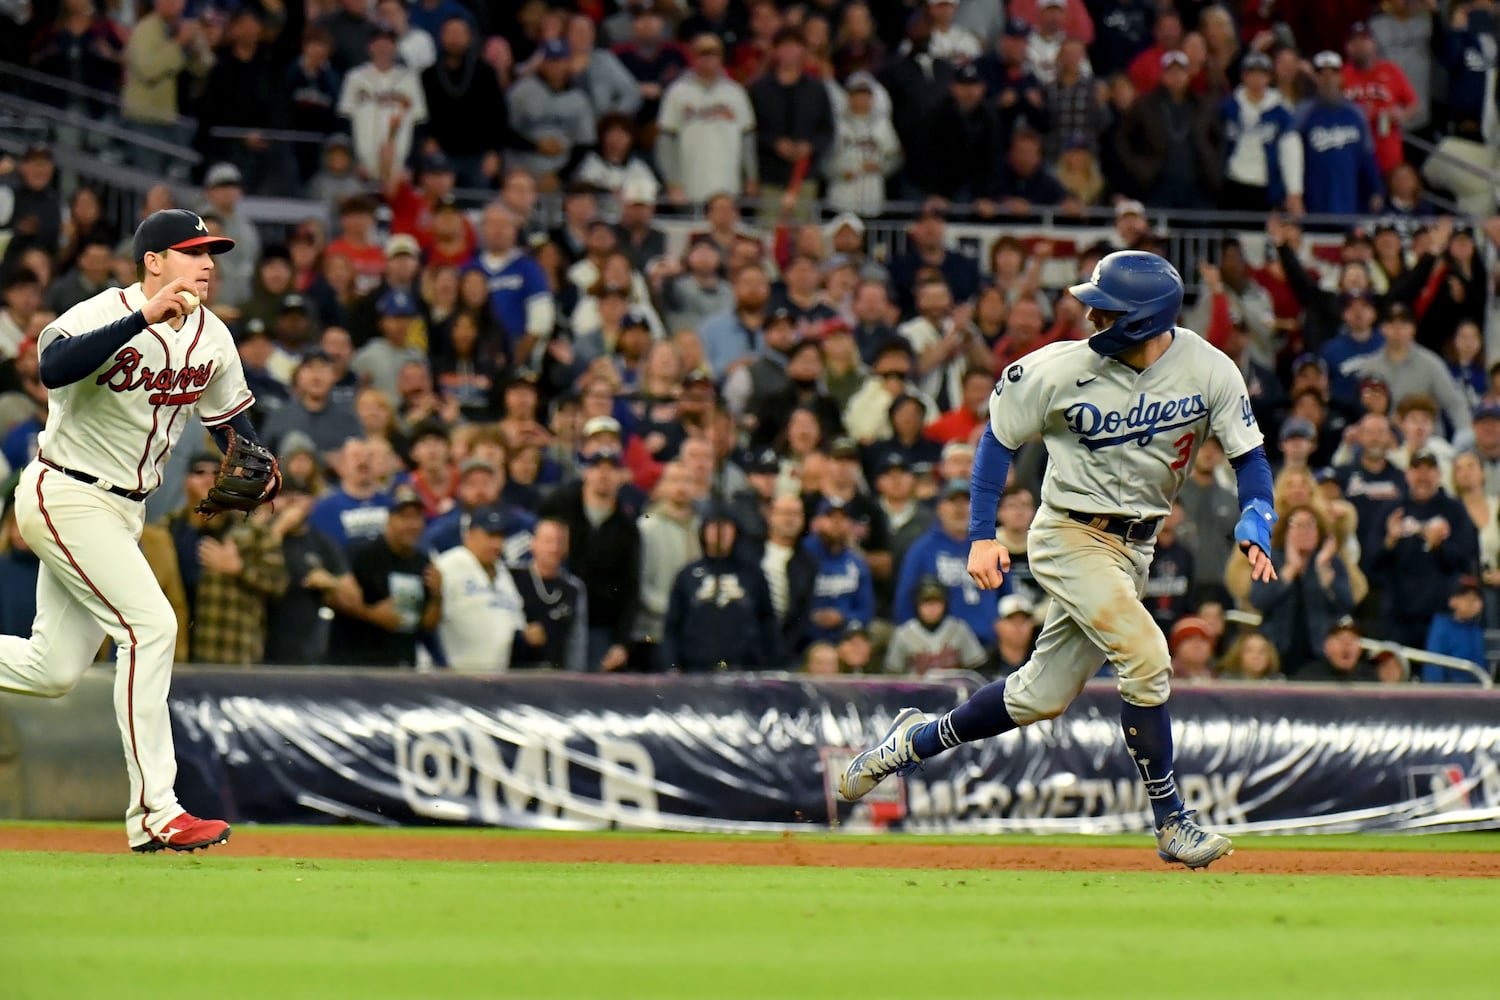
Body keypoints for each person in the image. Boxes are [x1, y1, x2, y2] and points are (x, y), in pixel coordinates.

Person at [838, 251, 1277, 869]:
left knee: (1036, 698)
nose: (1091, 314)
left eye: (1107, 308)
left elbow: (1250, 457)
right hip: (1069, 534)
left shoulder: (1209, 369)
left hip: (1137, 546)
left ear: (1145, 320)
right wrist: (982, 534)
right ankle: (1172, 820)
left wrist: (1258, 514)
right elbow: (997, 438)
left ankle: (908, 742)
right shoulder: (1057, 367)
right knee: (1148, 657)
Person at [0, 208, 278, 853]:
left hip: (125, 510)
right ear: (154, 261)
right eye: (193, 252)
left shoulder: (213, 336)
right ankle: (156, 811)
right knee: (151, 627)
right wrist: (141, 319)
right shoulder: (105, 310)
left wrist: (257, 460)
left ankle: (155, 811)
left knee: (52, 669)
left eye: (213, 253)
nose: (209, 264)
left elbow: (232, 423)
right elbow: (55, 368)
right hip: (65, 490)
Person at [658, 506, 782, 671]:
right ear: (703, 531)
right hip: (696, 670)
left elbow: (768, 622)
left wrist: (769, 666)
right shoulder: (687, 575)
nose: (719, 532)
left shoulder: (753, 574)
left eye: (726, 526)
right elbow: (672, 626)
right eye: (713, 526)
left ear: (736, 531)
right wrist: (672, 666)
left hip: (744, 670)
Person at [328, 484, 440, 667]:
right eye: (404, 517)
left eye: (417, 517)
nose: (412, 525)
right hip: (357, 664)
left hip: (402, 664)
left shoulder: (422, 562)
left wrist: (437, 596)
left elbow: (427, 624)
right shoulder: (362, 553)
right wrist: (372, 615)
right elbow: (333, 597)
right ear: (389, 519)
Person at [432, 504, 528, 674]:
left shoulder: (503, 573)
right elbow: (429, 622)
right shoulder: (448, 566)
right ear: (470, 535)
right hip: (451, 677)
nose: (497, 544)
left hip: (493, 681)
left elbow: (515, 624)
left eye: (501, 536)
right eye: (490, 535)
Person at [884, 575, 987, 677]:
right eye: (926, 603)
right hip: (915, 692)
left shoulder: (959, 629)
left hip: (953, 691)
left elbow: (977, 670)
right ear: (916, 605)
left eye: (936, 602)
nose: (931, 609)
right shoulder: (903, 634)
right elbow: (892, 677)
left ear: (945, 604)